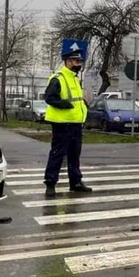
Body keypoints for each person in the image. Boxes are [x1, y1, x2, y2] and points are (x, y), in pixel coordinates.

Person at [43, 49, 93, 197]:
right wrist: (66, 105)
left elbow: (75, 99)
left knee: (74, 155)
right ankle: (50, 183)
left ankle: (76, 183)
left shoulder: (74, 78)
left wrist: (83, 104)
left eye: (80, 61)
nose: (79, 64)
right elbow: (50, 98)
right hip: (62, 123)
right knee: (58, 154)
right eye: (77, 61)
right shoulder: (58, 78)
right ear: (68, 61)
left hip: (76, 123)